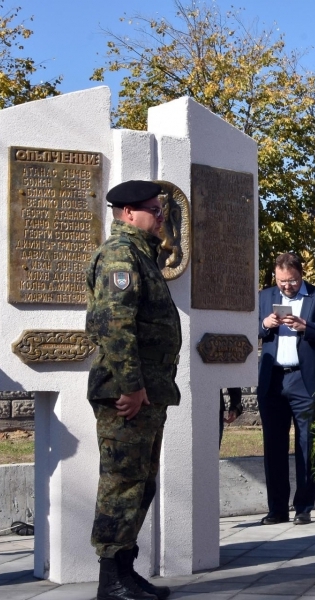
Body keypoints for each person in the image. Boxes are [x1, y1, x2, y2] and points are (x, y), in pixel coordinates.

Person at [85, 180, 182, 600]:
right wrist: (132, 387)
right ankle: (111, 583)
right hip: (129, 394)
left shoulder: (142, 255)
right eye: (154, 210)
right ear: (127, 212)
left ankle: (125, 573)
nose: (162, 217)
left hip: (147, 392)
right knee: (122, 484)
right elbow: (116, 324)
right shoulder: (120, 255)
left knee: (141, 484)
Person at [257, 252, 315, 525]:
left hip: (304, 381)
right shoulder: (264, 296)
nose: (286, 286)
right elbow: (247, 329)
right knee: (274, 446)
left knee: (307, 445)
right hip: (273, 380)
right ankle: (277, 509)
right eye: (282, 281)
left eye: (292, 281)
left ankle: (304, 506)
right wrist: (263, 325)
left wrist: (307, 327)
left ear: (300, 275)